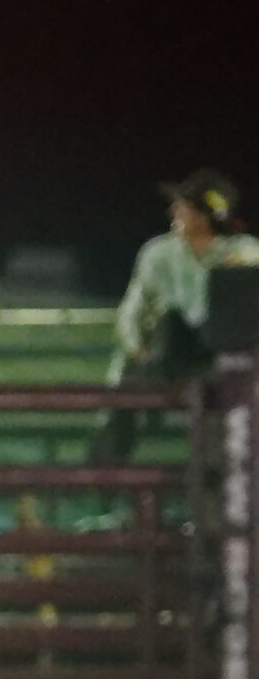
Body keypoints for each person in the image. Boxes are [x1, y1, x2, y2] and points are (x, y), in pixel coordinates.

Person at [96, 169, 259, 463]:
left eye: (183, 206)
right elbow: (132, 311)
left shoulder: (244, 251)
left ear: (204, 215)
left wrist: (240, 270)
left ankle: (226, 484)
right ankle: (100, 479)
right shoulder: (158, 253)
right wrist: (137, 349)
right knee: (164, 329)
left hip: (220, 360)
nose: (174, 211)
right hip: (169, 357)